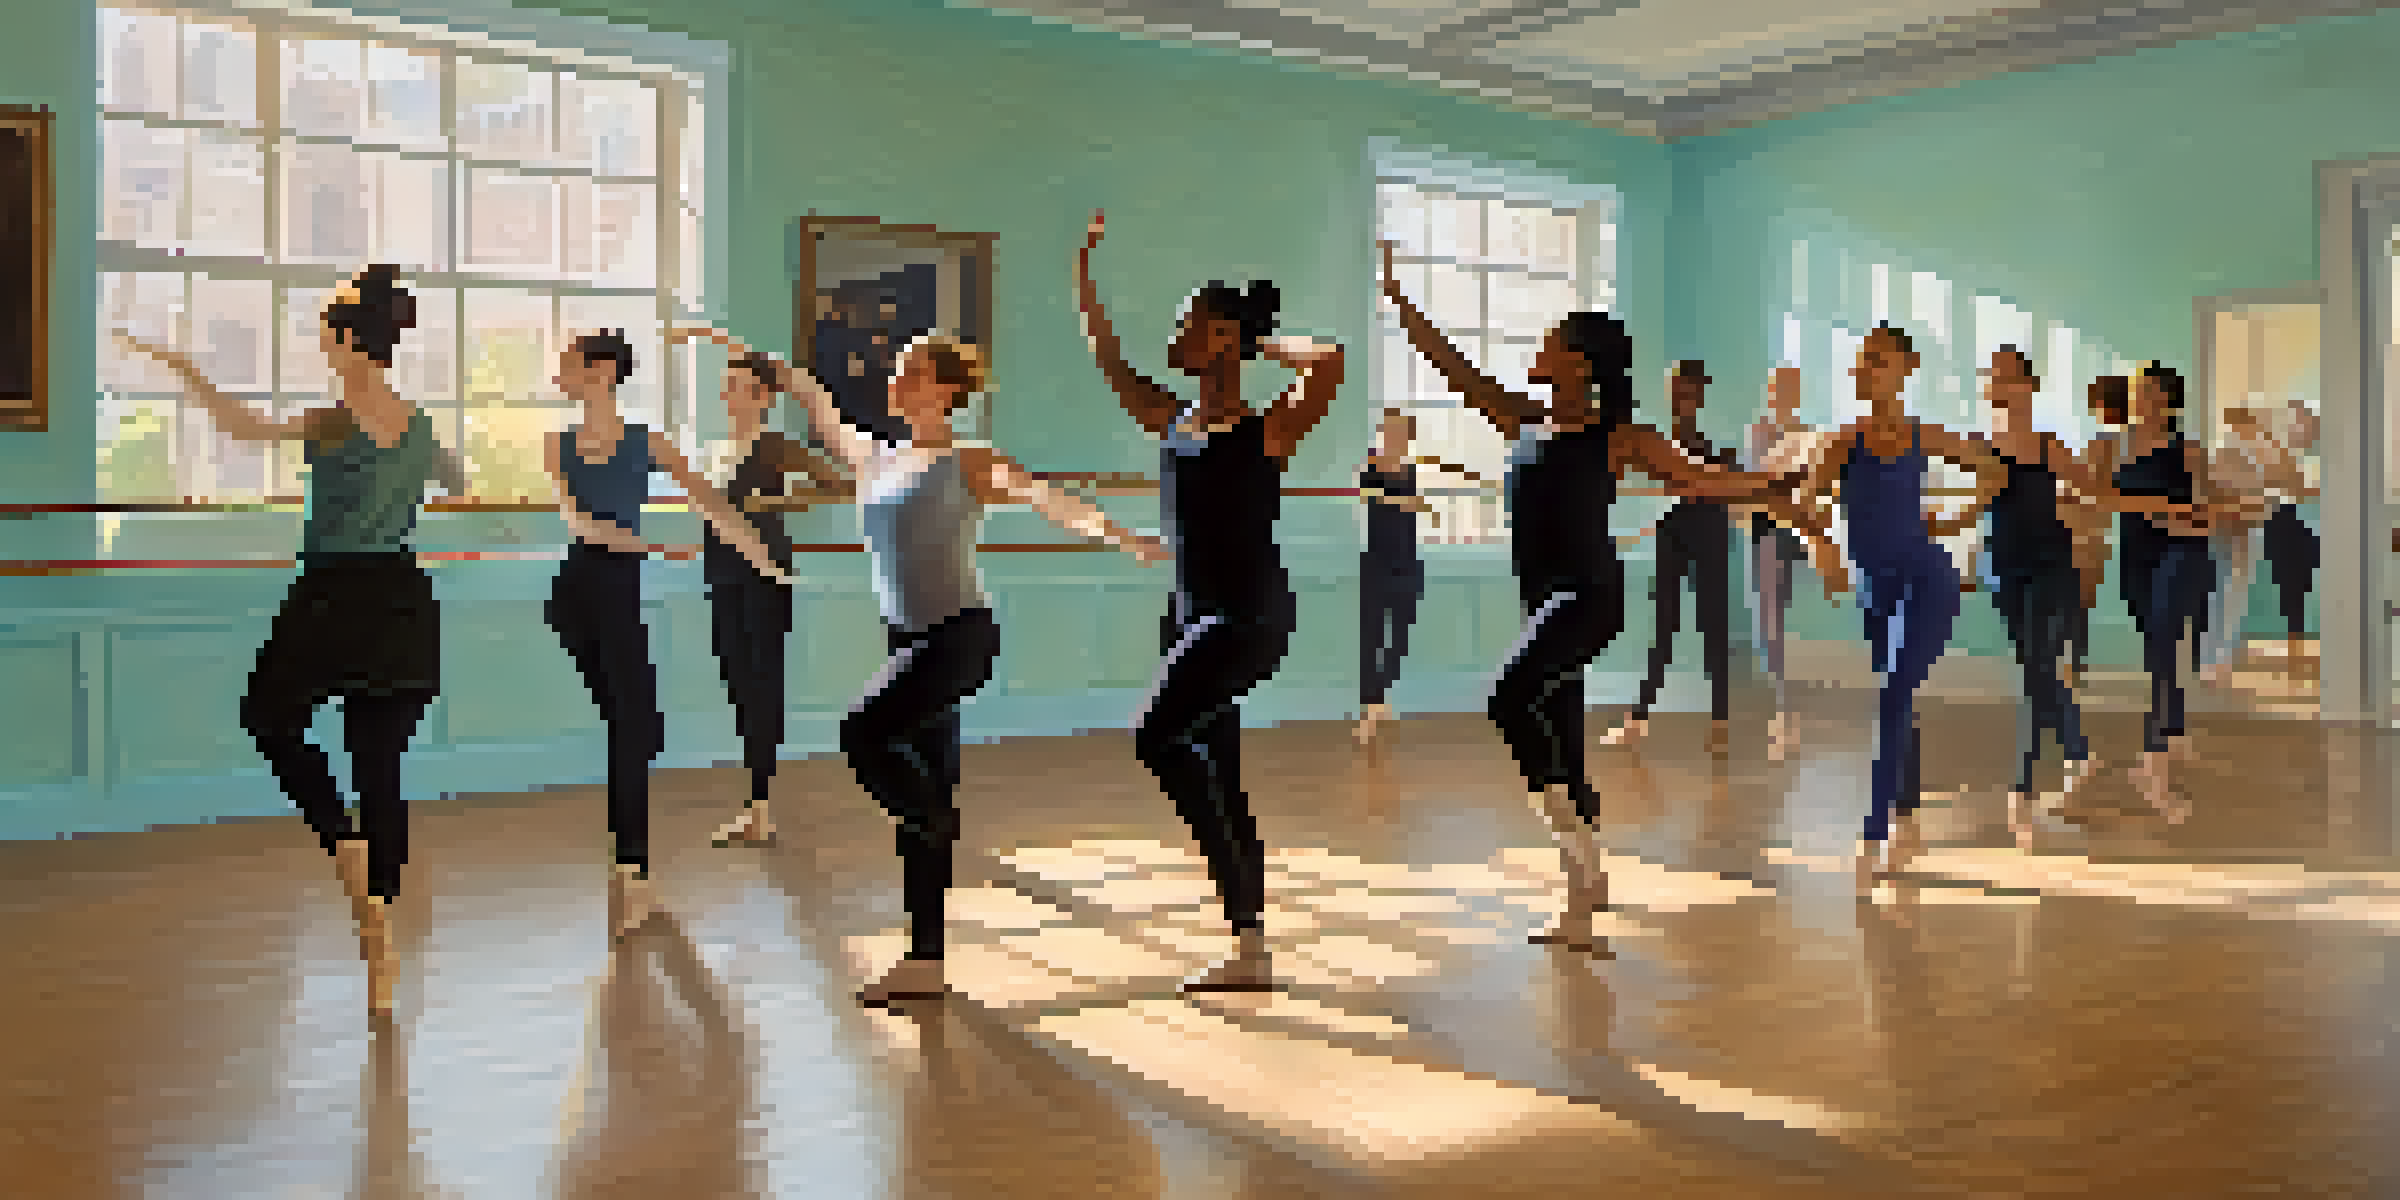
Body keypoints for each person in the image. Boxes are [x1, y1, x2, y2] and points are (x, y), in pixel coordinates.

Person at [674, 322, 1168, 1006]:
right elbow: (804, 389)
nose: (895, 381)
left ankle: (937, 824)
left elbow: (1049, 500)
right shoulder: (871, 455)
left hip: (959, 638)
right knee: (921, 799)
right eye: (896, 370)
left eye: (909, 371)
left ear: (943, 389)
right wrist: (721, 340)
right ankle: (925, 960)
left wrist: (1124, 538)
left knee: (863, 734)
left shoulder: (969, 461)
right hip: (901, 640)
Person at [1379, 240, 1829, 950]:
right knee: (1562, 747)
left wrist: (1782, 494)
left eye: (1553, 342)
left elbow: (1702, 483)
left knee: (1507, 698)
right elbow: (1454, 368)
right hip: (1542, 602)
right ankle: (1580, 905)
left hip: (1589, 597)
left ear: (1580, 364)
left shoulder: (1622, 435)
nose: (1540, 346)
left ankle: (1580, 852)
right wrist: (1401, 300)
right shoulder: (1522, 419)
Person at [116, 264, 468, 1019]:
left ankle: (347, 856)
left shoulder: (336, 420)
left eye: (324, 340)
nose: (322, 352)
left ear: (349, 342)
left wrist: (185, 372)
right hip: (402, 597)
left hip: (336, 594)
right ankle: (381, 936)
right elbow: (457, 479)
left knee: (270, 720)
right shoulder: (423, 423)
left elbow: (245, 431)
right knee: (381, 765)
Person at [1076, 210, 1343, 992]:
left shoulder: (1266, 431)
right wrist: (1083, 271)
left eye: (1193, 323)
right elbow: (1106, 355)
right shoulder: (1171, 418)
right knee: (1220, 776)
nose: (1178, 332)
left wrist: (1257, 335)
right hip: (1189, 618)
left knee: (1155, 735)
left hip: (1250, 619)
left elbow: (1327, 362)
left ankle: (1238, 911)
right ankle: (1249, 945)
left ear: (1221, 339)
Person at [541, 330, 790, 942]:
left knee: (636, 729)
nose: (559, 376)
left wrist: (762, 556)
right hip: (580, 594)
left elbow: (711, 503)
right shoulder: (557, 443)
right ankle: (636, 876)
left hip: (616, 594)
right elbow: (581, 523)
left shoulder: (648, 442)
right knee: (634, 729)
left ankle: (632, 868)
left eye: (569, 366)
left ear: (601, 372)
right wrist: (652, 545)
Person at [1791, 323, 2007, 894]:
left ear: (1905, 368)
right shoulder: (1840, 442)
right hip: (1873, 588)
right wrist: (1823, 547)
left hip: (1927, 578)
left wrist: (1959, 520)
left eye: (1875, 361)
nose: (1862, 370)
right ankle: (1906, 819)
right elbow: (1806, 503)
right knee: (1898, 701)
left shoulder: (1923, 435)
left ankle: (1872, 836)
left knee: (1892, 696)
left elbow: (1993, 469)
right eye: (1859, 361)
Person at [695, 351, 850, 847]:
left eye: (738, 386)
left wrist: (783, 501)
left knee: (762, 683)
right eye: (726, 385)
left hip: (766, 575)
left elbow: (843, 484)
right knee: (737, 680)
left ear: (764, 397)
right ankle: (753, 806)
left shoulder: (776, 445)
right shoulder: (715, 450)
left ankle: (760, 806)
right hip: (721, 575)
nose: (728, 395)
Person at [2110, 363, 2235, 816]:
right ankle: (2171, 735)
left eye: (2147, 391)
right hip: (2136, 561)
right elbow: (2099, 497)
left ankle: (2153, 763)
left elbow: (2211, 507)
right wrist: (2156, 507)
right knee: (2160, 648)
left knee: (2164, 646)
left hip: (2184, 551)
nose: (2139, 399)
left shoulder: (2189, 450)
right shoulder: (2115, 446)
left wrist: (2194, 515)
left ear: (2167, 400)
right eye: (2135, 391)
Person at [1611, 360, 1741, 752]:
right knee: (1664, 625)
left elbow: (1726, 488)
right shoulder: (1656, 443)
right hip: (1672, 534)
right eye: (1674, 390)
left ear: (1699, 395)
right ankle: (1638, 718)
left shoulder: (1717, 442)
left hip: (1711, 533)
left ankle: (1721, 720)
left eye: (1687, 391)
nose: (1679, 398)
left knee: (1713, 625)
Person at [1740, 365, 1821, 757]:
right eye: (1775, 388)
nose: (1780, 396)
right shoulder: (1759, 432)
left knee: (1776, 623)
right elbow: (1753, 486)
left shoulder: (1806, 435)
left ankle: (1787, 709)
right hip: (1766, 533)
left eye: (1787, 389)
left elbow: (1807, 488)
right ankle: (1784, 709)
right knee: (1768, 625)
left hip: (1792, 534)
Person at [1355, 407, 1442, 745]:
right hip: (1376, 563)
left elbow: (1416, 506)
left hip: (1407, 562)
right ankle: (1370, 707)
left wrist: (1419, 505)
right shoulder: (1370, 466)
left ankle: (1380, 696)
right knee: (1372, 636)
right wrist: (1406, 501)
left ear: (1407, 436)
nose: (1393, 437)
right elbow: (1367, 496)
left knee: (1401, 633)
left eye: (1399, 431)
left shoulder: (1411, 469)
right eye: (1387, 430)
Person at [2066, 375, 2133, 689]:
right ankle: (2076, 664)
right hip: (2104, 528)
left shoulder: (2104, 443)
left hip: (2087, 527)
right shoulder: (2135, 443)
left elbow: (2090, 487)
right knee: (2082, 599)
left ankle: (2074, 665)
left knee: (2076, 600)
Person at [2256, 407, 2321, 682]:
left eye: (2307, 424)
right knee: (2292, 594)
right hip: (2286, 529)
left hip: (2317, 530)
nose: (2302, 429)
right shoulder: (2281, 455)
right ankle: (2296, 657)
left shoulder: (2327, 457)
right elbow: (2274, 487)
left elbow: (2306, 489)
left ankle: (2313, 656)